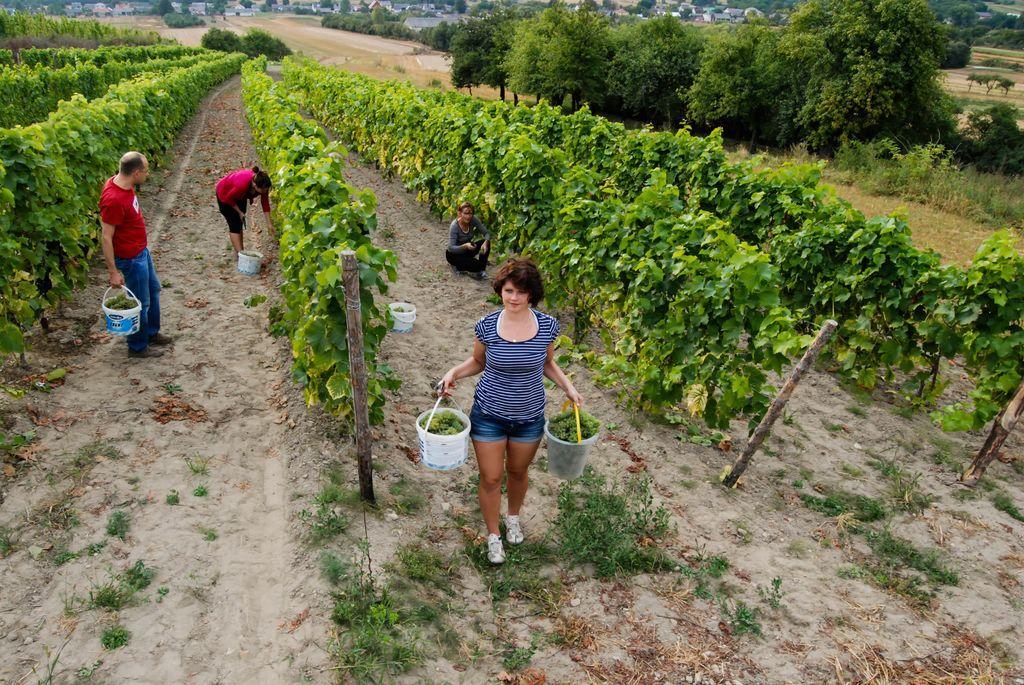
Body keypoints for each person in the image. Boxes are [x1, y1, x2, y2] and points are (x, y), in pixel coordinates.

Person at [441, 258, 582, 564]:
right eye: (508, 290)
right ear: (500, 291)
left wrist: (568, 387)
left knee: (518, 472)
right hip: (489, 414)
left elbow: (546, 363)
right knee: (491, 478)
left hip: (529, 416)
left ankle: (513, 517)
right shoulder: (487, 326)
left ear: (532, 294)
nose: (514, 297)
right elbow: (478, 362)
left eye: (521, 291)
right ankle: (493, 536)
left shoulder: (547, 326)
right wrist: (453, 372)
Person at [100, 151, 172, 359]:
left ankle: (151, 333)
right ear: (136, 172)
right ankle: (138, 347)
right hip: (131, 258)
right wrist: (113, 271)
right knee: (141, 301)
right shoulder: (113, 199)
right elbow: (106, 237)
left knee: (153, 289)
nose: (148, 174)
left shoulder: (123, 184)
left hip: (141, 251)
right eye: (146, 170)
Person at [215, 166, 274, 260]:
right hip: (224, 194)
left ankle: (239, 253)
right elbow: (228, 198)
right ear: (255, 186)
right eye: (263, 190)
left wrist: (269, 223)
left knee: (239, 223)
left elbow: (265, 203)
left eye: (266, 189)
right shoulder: (242, 184)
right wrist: (239, 211)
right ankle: (242, 257)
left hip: (240, 196)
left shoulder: (263, 184)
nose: (265, 191)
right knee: (234, 225)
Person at [446, 202, 490, 279]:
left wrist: (486, 242)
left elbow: (486, 233)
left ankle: (481, 271)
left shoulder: (473, 219)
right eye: (465, 213)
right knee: (476, 265)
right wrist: (465, 246)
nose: (468, 216)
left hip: (467, 250)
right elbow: (450, 248)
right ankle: (457, 266)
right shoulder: (454, 225)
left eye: (470, 213)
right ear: (459, 213)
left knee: (486, 242)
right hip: (454, 254)